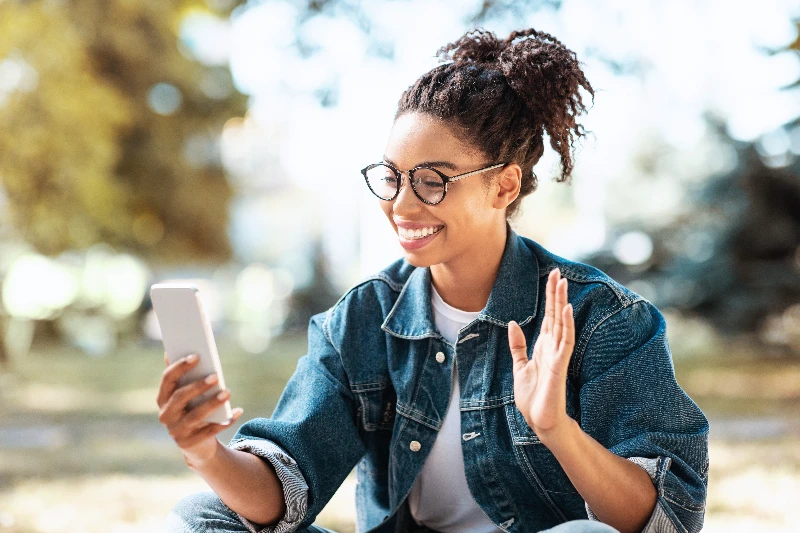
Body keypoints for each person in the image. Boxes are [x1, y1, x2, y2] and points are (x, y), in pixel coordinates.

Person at [159, 28, 709, 533]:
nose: (401, 203)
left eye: (432, 181)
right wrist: (208, 452)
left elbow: (665, 519)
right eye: (393, 177)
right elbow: (285, 489)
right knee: (203, 518)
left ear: (504, 186)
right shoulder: (361, 321)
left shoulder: (600, 318)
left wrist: (557, 429)